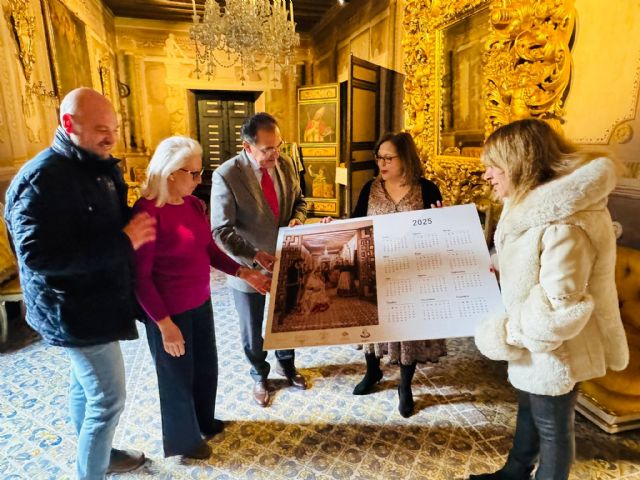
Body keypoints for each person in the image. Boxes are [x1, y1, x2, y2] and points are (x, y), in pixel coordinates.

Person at [4, 87, 156, 479]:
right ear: (68, 124)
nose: (112, 137)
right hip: (72, 310)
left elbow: (102, 222)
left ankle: (102, 455)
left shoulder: (100, 163)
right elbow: (39, 258)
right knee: (107, 400)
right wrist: (124, 241)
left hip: (98, 300)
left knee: (85, 388)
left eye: (116, 128)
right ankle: (93, 469)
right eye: (102, 129)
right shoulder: (40, 180)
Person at [471, 118, 629, 480]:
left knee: (554, 429)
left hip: (555, 348)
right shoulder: (529, 205)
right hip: (536, 344)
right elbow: (529, 264)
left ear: (518, 163)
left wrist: (506, 334)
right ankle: (515, 471)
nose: (487, 175)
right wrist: (494, 267)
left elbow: (560, 308)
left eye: (493, 166)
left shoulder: (566, 224)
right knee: (529, 409)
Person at [132, 136, 270, 459]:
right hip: (168, 312)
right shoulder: (148, 212)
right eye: (193, 174)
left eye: (200, 172)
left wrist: (243, 272)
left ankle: (204, 421)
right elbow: (140, 278)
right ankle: (184, 442)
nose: (199, 180)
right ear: (170, 174)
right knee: (176, 378)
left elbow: (208, 250)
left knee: (206, 367)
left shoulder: (193, 205)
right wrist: (164, 325)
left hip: (200, 302)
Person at [211, 112, 308, 408]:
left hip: (287, 261)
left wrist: (296, 220)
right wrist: (254, 256)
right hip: (249, 268)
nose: (274, 154)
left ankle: (286, 364)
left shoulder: (286, 163)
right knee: (253, 330)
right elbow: (220, 230)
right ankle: (259, 374)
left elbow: (301, 201)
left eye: (278, 146)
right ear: (247, 146)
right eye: (267, 149)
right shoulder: (227, 175)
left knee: (287, 320)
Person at [351, 131, 446, 418]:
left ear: (405, 158)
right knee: (371, 323)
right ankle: (373, 372)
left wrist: (444, 219)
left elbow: (440, 232)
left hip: (411, 273)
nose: (382, 163)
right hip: (374, 268)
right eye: (379, 157)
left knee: (408, 331)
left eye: (388, 157)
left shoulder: (427, 189)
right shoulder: (369, 188)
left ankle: (405, 385)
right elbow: (355, 223)